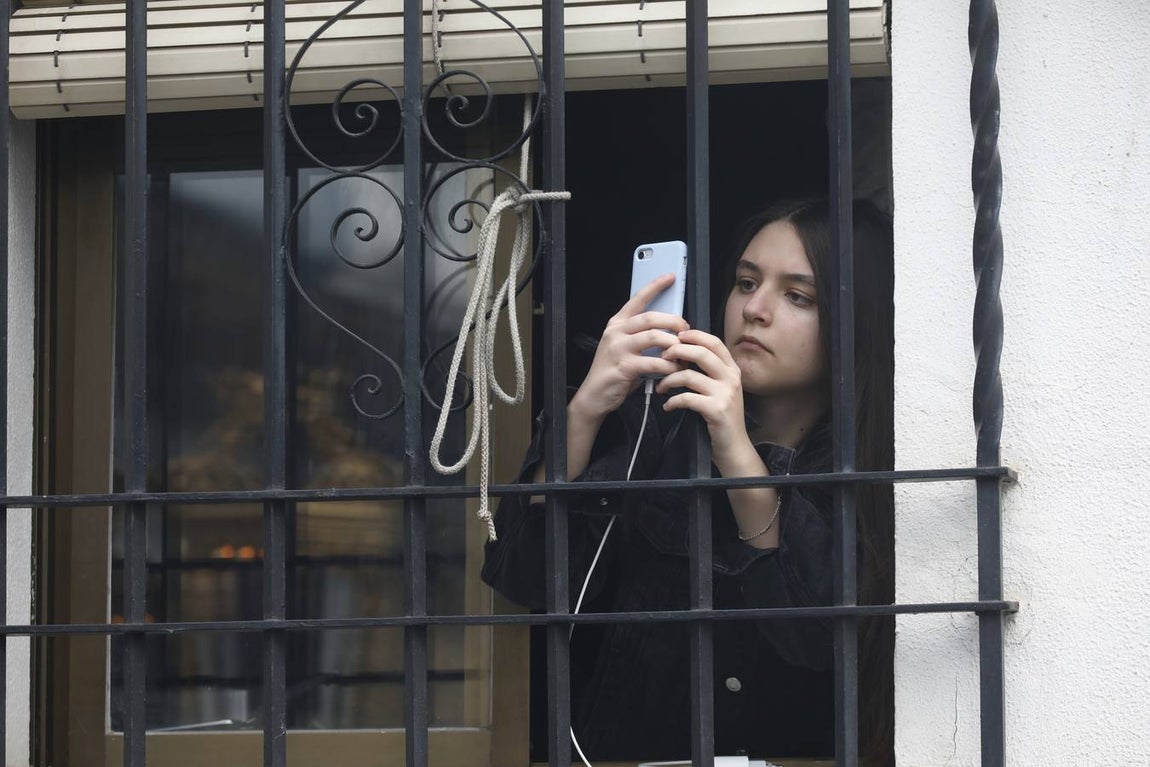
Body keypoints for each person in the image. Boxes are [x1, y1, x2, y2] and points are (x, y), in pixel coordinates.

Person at [482, 199, 894, 765]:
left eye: (798, 296)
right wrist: (584, 413)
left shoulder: (880, 462)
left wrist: (738, 453)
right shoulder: (661, 424)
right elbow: (525, 579)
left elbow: (817, 638)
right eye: (746, 283)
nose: (756, 309)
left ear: (855, 317)